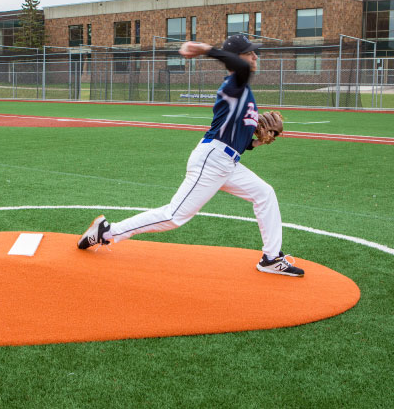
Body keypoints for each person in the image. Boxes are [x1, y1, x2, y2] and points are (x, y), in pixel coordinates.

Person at [77, 34, 304, 277]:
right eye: (249, 53)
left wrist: (257, 142)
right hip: (212, 160)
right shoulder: (234, 84)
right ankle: (108, 232)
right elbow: (238, 68)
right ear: (237, 59)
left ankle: (271, 258)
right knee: (174, 217)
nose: (255, 56)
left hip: (227, 162)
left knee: (264, 193)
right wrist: (205, 48)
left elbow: (239, 141)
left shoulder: (243, 90)